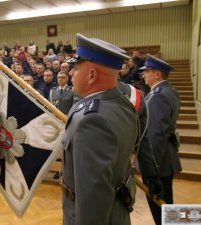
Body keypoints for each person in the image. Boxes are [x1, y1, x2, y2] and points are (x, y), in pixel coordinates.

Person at [61, 33, 138, 225]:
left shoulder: (92, 120)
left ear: (92, 75)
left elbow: (92, 199)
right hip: (115, 208)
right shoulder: (122, 104)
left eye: (76, 68)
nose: (71, 73)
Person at [141, 54, 182, 225]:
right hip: (165, 160)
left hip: (159, 163)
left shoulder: (158, 95)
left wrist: (152, 172)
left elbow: (155, 136)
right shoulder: (168, 90)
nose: (143, 75)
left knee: (161, 209)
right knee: (167, 209)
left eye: (147, 71)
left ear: (157, 74)